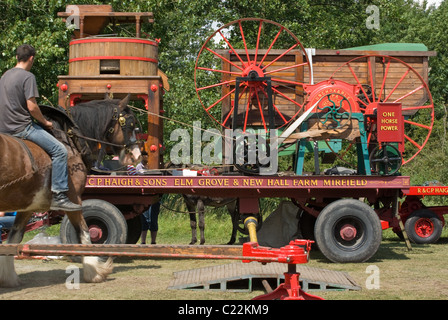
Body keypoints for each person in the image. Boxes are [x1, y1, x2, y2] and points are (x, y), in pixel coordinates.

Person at [0, 44, 81, 211]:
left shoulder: (5, 76)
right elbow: (32, 107)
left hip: (3, 128)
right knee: (60, 151)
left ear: (16, 57)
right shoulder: (27, 77)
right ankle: (59, 195)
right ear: (31, 59)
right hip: (21, 128)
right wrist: (45, 122)